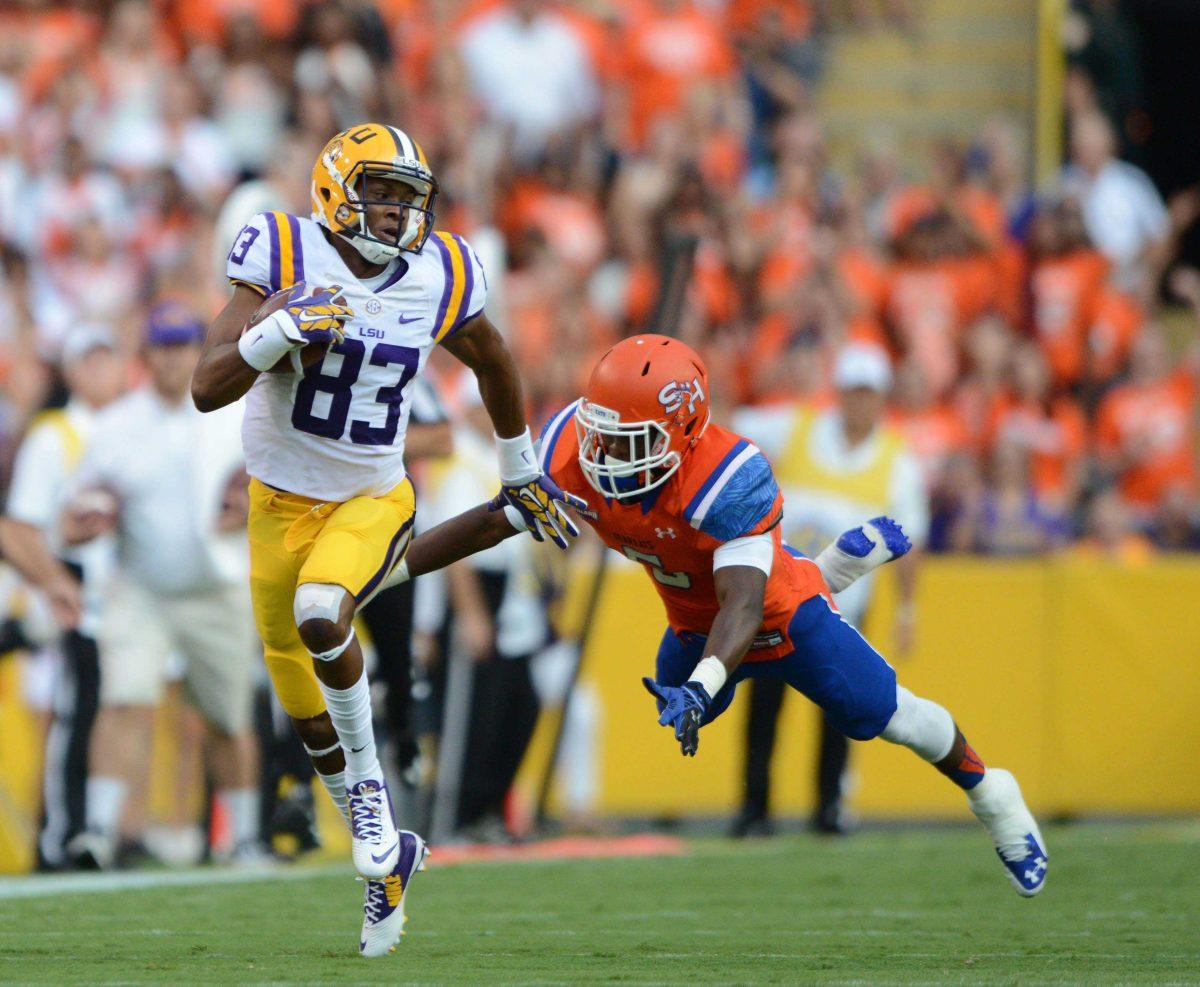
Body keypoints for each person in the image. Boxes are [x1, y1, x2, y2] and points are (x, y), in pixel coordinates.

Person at [394, 335, 1049, 899]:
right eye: (603, 434)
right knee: (680, 703)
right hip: (691, 624)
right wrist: (389, 570)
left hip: (776, 614)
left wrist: (704, 682)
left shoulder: (729, 477)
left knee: (885, 716)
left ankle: (993, 792)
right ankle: (826, 567)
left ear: (681, 436)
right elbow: (493, 519)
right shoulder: (574, 446)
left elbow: (742, 603)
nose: (605, 457)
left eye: (631, 442)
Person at [189, 122, 581, 958]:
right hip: (276, 505)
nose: (398, 209)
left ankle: (371, 805)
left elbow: (495, 358)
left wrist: (518, 467)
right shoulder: (284, 251)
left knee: (323, 611)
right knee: (304, 712)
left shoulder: (441, 271)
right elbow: (204, 386)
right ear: (336, 190)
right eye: (382, 191)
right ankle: (387, 859)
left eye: (409, 194)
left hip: (372, 492)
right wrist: (279, 332)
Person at [56, 305, 263, 870]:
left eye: (182, 343)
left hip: (216, 585)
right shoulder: (117, 425)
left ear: (199, 349)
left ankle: (242, 836)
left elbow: (277, 488)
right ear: (145, 354)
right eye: (163, 344)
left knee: (227, 715)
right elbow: (73, 517)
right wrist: (86, 524)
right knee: (123, 700)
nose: (172, 355)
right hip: (141, 586)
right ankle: (98, 830)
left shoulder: (238, 413)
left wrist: (247, 503)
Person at [731, 343, 928, 835]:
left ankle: (828, 807)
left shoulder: (897, 461)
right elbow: (730, 427)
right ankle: (755, 808)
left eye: (869, 394)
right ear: (837, 393)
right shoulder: (796, 427)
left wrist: (908, 609)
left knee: (840, 709)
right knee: (764, 707)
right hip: (778, 598)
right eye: (853, 393)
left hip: (842, 608)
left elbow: (913, 541)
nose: (860, 404)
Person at [0, 326, 125, 869]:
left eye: (107, 360)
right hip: (76, 587)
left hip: (123, 591)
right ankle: (59, 835)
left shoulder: (132, 428)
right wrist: (55, 580)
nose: (100, 371)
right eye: (89, 362)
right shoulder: (57, 434)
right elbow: (20, 525)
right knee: (75, 715)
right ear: (71, 372)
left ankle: (101, 830)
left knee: (109, 715)